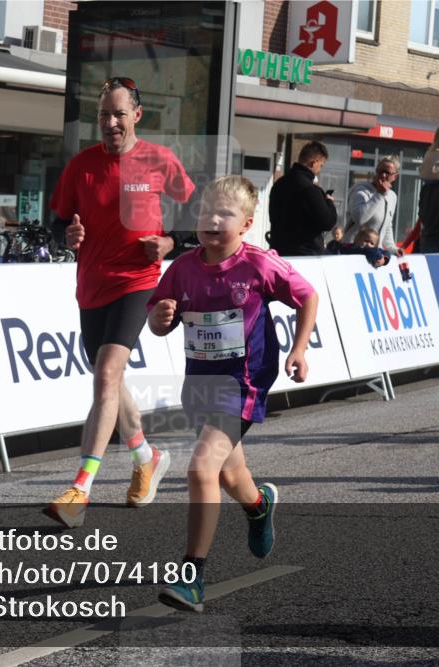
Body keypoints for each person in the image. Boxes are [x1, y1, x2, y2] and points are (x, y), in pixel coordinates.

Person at [146, 175, 318, 612]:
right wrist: (160, 317)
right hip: (200, 384)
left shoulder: (258, 264)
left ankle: (192, 577)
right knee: (228, 473)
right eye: (206, 212)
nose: (213, 220)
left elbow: (308, 296)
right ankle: (259, 506)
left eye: (225, 214)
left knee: (201, 468)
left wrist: (298, 350)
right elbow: (159, 319)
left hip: (242, 383)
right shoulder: (183, 267)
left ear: (246, 223)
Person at [45, 77, 195, 527]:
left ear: (137, 116)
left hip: (138, 282)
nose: (110, 122)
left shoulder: (159, 160)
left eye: (119, 114)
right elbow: (57, 222)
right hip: (92, 286)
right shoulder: (81, 166)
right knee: (109, 380)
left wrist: (170, 242)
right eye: (103, 115)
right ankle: (147, 458)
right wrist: (67, 235)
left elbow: (196, 215)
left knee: (108, 373)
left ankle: (80, 489)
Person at [268, 140, 337, 255]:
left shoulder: (279, 184)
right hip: (305, 255)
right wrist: (329, 203)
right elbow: (327, 222)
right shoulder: (310, 189)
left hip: (279, 252)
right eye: (321, 165)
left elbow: (273, 217)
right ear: (314, 163)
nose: (320, 170)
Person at [344, 157, 401, 254]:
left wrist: (393, 249)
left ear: (395, 176)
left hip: (374, 252)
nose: (383, 175)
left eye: (387, 173)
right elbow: (360, 218)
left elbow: (387, 226)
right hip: (354, 250)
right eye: (380, 171)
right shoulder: (361, 190)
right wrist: (379, 195)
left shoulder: (392, 196)